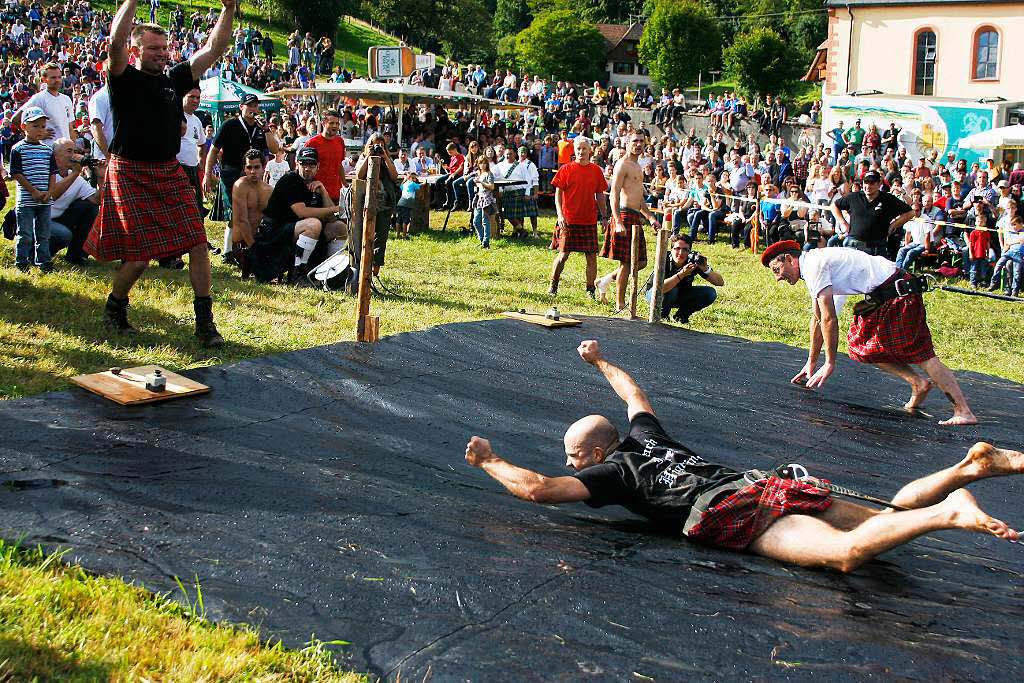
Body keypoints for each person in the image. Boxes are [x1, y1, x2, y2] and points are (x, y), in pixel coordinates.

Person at [464, 340, 1020, 572]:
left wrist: (488, 459)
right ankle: (968, 468)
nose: (570, 464)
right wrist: (600, 361)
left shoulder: (614, 472)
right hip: (766, 484)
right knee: (891, 520)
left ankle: (952, 510)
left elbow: (538, 488)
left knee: (846, 555)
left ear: (598, 452)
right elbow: (633, 395)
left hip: (731, 512)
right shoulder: (650, 436)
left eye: (573, 455)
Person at [84, 1, 237, 347]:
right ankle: (115, 307)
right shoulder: (123, 78)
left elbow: (214, 49)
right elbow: (113, 42)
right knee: (138, 257)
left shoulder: (175, 79)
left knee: (198, 242)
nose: (162, 54)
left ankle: (205, 323)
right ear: (135, 50)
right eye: (154, 49)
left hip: (167, 170)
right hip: (129, 169)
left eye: (165, 48)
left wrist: (229, 9)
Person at [762, 240, 977, 426]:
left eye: (776, 270)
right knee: (860, 347)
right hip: (884, 297)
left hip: (899, 294)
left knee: (923, 357)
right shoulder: (811, 266)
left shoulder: (814, 266)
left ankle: (963, 411)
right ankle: (918, 383)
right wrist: (811, 362)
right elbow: (818, 318)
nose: (778, 278)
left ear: (789, 259)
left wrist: (829, 363)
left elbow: (829, 318)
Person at [246, 146, 345, 283]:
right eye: (304, 164)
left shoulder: (314, 184)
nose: (307, 168)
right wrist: (335, 208)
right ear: (297, 164)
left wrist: (323, 191)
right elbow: (302, 212)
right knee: (313, 224)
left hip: (297, 232)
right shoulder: (290, 180)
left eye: (311, 165)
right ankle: (298, 274)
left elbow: (330, 218)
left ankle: (331, 273)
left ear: (318, 166)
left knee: (339, 227)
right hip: (273, 233)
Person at [204, 93, 282, 255]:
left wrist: (266, 129)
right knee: (236, 213)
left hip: (252, 174)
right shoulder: (229, 125)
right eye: (250, 105)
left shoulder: (261, 128)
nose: (253, 109)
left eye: (255, 105)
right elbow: (213, 150)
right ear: (241, 107)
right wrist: (207, 174)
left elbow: (275, 149)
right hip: (231, 173)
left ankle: (243, 249)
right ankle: (228, 252)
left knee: (251, 212)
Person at [595, 131, 661, 309]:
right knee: (627, 262)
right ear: (627, 143)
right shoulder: (622, 164)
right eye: (634, 141)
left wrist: (651, 217)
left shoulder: (638, 165)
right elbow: (613, 194)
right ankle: (620, 303)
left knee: (641, 262)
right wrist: (617, 221)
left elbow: (639, 199)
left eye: (641, 141)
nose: (638, 144)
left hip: (635, 216)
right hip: (623, 215)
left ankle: (606, 280)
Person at [549, 137, 607, 297]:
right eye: (578, 149)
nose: (581, 152)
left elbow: (600, 195)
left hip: (589, 220)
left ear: (590, 151)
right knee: (563, 256)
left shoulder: (596, 171)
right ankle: (553, 284)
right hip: (568, 220)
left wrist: (604, 217)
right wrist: (560, 215)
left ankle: (590, 290)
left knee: (591, 258)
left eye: (584, 149)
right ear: (575, 151)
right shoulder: (566, 169)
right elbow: (558, 194)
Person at [10, 107, 59, 272]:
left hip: (45, 200)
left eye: (43, 126)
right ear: (24, 127)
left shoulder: (47, 150)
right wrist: (33, 191)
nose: (40, 130)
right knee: (25, 233)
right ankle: (21, 262)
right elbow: (16, 173)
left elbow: (53, 173)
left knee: (44, 233)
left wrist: (49, 192)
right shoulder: (18, 149)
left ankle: (43, 261)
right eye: (35, 126)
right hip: (26, 200)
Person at [644, 233, 724, 323]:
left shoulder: (693, 261)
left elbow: (720, 282)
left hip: (679, 294)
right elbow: (660, 288)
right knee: (672, 289)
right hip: (654, 293)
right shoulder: (663, 259)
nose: (681, 253)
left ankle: (681, 316)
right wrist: (682, 274)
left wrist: (705, 269)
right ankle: (662, 314)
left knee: (710, 293)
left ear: (690, 251)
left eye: (685, 250)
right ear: (671, 249)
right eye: (677, 249)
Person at [831, 170, 914, 256]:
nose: (868, 186)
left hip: (876, 248)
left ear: (879, 184)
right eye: (866, 182)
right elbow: (834, 206)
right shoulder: (853, 197)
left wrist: (893, 225)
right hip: (853, 245)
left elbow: (911, 213)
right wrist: (844, 223)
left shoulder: (888, 199)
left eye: (872, 183)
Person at [50, 138, 100, 266]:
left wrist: (101, 177)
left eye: (75, 151)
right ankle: (35, 252)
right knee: (64, 234)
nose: (74, 155)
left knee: (91, 208)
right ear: (56, 156)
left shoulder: (75, 177)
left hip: (57, 219)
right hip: (36, 219)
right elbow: (52, 196)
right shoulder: (47, 172)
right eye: (69, 151)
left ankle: (75, 256)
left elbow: (96, 199)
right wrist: (76, 173)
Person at [14, 63, 76, 148]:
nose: (57, 80)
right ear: (44, 79)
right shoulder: (39, 98)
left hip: (64, 152)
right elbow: (16, 119)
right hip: (47, 151)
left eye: (59, 77)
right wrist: (36, 135)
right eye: (53, 77)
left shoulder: (66, 99)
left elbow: (70, 128)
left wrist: (73, 148)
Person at [303, 109, 346, 204]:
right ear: (323, 123)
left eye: (337, 123)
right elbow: (302, 168)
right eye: (331, 123)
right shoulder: (312, 143)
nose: (335, 126)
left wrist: (345, 184)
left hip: (336, 194)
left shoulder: (340, 142)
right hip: (317, 193)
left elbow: (339, 165)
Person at [177, 87, 207, 218]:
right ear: (183, 96)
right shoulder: (174, 116)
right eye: (192, 97)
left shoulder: (197, 120)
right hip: (177, 168)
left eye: (198, 97)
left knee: (196, 208)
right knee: (180, 208)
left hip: (193, 170)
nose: (195, 100)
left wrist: (201, 162)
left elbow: (202, 144)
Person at [470, 155, 496, 248]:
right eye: (481, 163)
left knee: (485, 221)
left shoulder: (489, 174)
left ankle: (486, 242)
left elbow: (492, 187)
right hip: (478, 198)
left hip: (486, 198)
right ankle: (481, 241)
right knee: (476, 221)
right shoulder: (478, 173)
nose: (483, 165)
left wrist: (481, 183)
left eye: (485, 163)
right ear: (478, 164)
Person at [395, 172, 421, 239]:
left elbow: (401, 187)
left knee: (399, 219)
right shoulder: (413, 184)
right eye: (415, 178)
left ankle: (397, 235)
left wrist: (404, 180)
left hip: (400, 203)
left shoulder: (404, 184)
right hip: (407, 204)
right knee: (405, 220)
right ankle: (404, 236)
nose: (416, 179)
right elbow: (419, 187)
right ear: (412, 178)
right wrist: (424, 183)